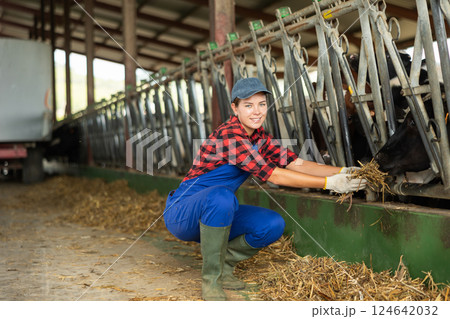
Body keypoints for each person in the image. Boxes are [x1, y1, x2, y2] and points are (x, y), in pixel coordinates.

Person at [163, 77, 366, 301]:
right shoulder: (230, 135)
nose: (256, 111)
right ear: (235, 108)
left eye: (261, 104)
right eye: (248, 105)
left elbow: (294, 163)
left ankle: (224, 266)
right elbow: (273, 174)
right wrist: (329, 184)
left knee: (272, 224)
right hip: (182, 214)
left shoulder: (260, 137)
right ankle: (211, 280)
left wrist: (342, 172)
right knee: (221, 197)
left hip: (217, 212)